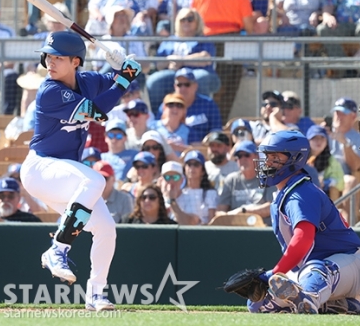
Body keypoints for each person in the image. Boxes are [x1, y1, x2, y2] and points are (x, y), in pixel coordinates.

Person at [20, 31, 142, 311]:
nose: (50, 62)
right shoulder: (49, 91)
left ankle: (96, 294)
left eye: (58, 57)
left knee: (107, 229)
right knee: (95, 179)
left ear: (76, 61)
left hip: (65, 176)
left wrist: (123, 66)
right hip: (40, 169)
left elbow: (115, 82)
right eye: (48, 56)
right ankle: (57, 250)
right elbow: (97, 110)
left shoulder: (87, 80)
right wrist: (124, 78)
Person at [248, 130, 360, 314]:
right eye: (266, 155)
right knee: (258, 304)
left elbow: (303, 239)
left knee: (316, 272)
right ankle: (347, 304)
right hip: (311, 268)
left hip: (350, 262)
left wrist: (274, 273)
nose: (267, 162)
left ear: (294, 158)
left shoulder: (301, 192)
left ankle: (311, 299)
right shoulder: (284, 193)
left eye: (274, 156)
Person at [191, 0, 254, 121]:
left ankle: (206, 120)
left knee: (208, 83)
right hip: (232, 38)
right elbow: (248, 22)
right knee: (228, 85)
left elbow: (193, 15)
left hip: (205, 40)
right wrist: (251, 34)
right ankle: (219, 121)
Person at [147, 9, 221, 111]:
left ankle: (200, 116)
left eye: (190, 19)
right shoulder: (170, 41)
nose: (186, 22)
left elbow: (206, 58)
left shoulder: (203, 39)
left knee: (200, 78)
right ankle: (159, 119)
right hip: (173, 74)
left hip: (198, 73)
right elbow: (158, 64)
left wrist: (181, 61)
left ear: (197, 22)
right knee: (154, 81)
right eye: (183, 19)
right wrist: (169, 60)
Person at [216, 141, 275, 223]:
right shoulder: (231, 180)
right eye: (239, 156)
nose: (242, 159)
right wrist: (229, 216)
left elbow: (271, 207)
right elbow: (220, 211)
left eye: (246, 155)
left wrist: (243, 211)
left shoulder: (268, 178)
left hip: (263, 230)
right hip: (236, 229)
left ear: (257, 157)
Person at [161, 68, 222, 145]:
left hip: (202, 149)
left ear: (195, 86)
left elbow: (216, 131)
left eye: (187, 84)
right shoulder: (167, 105)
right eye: (179, 85)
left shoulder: (208, 104)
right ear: (175, 87)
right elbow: (160, 126)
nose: (183, 88)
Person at [330, 98, 360, 223]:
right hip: (322, 174)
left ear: (353, 117)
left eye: (343, 113)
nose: (339, 116)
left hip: (343, 176)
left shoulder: (359, 138)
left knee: (351, 181)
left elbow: (355, 166)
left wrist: (345, 143)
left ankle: (346, 227)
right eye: (336, 112)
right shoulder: (322, 133)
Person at [176, 150, 218, 225]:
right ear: (184, 169)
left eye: (196, 164)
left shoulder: (211, 193)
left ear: (203, 171)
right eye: (189, 164)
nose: (192, 167)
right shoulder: (178, 193)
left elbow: (212, 222)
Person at [307, 125, 344, 200]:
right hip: (305, 190)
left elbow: (340, 182)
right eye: (314, 138)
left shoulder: (331, 160)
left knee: (333, 189)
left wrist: (325, 182)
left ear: (327, 141)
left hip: (324, 193)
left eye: (322, 138)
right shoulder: (302, 158)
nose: (319, 141)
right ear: (308, 141)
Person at [159, 160, 203, 225]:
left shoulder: (192, 197)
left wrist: (172, 201)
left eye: (175, 177)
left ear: (182, 180)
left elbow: (190, 224)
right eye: (167, 177)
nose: (171, 181)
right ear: (161, 180)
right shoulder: (153, 197)